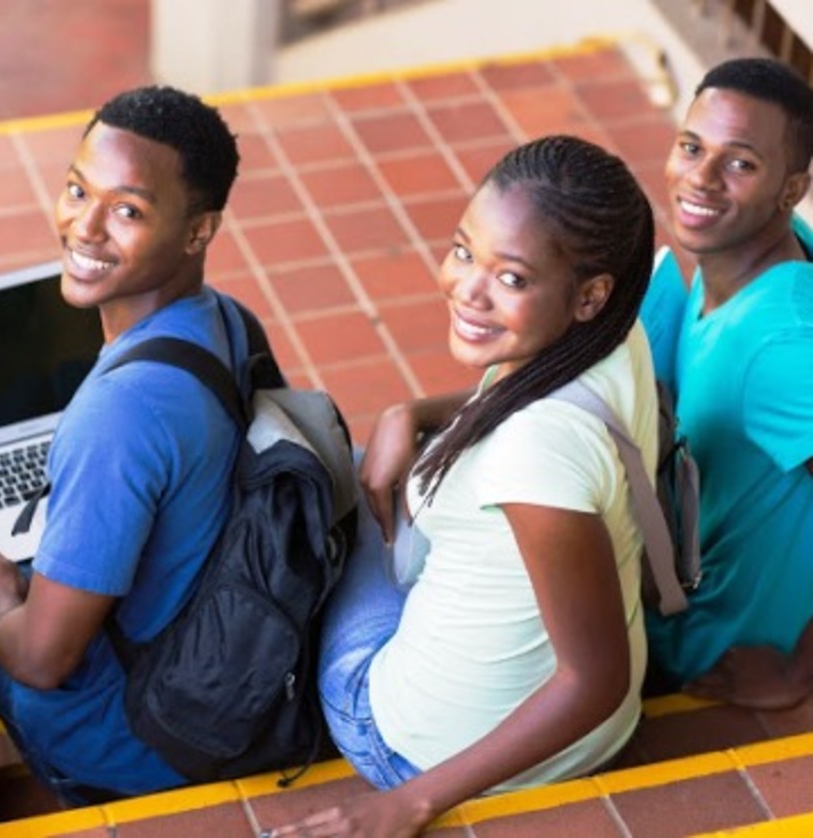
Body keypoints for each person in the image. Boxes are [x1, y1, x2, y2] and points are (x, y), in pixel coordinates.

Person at [267, 135, 657, 838]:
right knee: (373, 459)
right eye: (463, 251)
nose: (466, 288)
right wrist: (409, 412)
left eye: (510, 279)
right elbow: (532, 398)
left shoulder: (531, 464)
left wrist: (409, 803)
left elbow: (592, 679)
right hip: (604, 725)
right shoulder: (619, 329)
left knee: (324, 478)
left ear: (588, 295)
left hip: (420, 749)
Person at [0, 85, 251, 801]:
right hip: (203, 647)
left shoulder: (120, 415)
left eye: (128, 211)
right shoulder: (225, 318)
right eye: (77, 189)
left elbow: (46, 661)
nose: (84, 228)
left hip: (133, 734)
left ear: (198, 231)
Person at [640, 57, 813, 705]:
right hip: (677, 570)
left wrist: (799, 673)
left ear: (789, 188)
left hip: (711, 645)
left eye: (739, 162)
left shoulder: (779, 346)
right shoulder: (757, 249)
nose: (700, 179)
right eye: (691, 147)